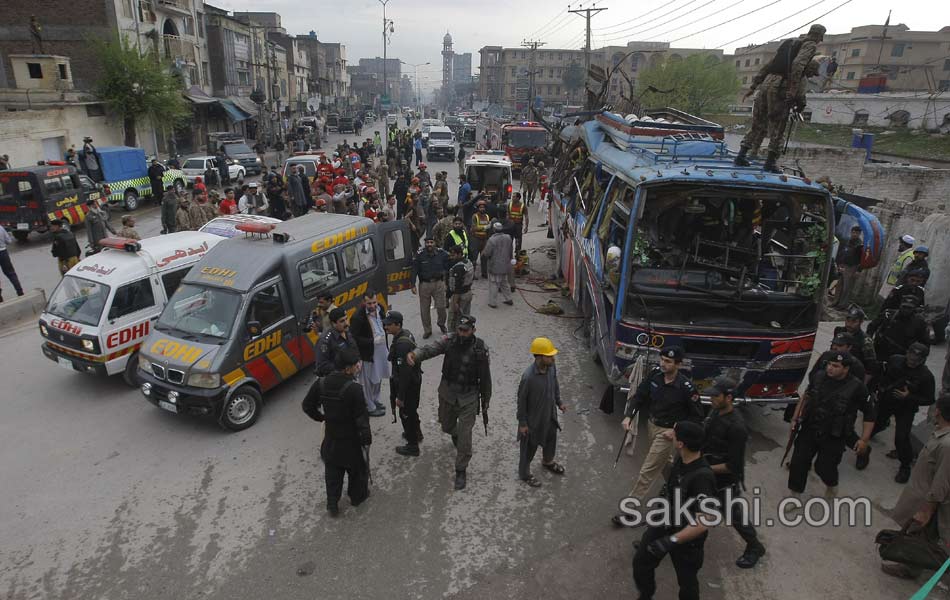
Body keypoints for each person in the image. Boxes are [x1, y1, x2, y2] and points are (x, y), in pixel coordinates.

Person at [613, 346, 702, 526]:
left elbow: (697, 416)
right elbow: (640, 396)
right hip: (652, 425)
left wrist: (677, 431)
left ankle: (630, 510)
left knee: (648, 469)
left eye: (668, 361)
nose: (663, 363)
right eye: (662, 359)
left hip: (668, 433)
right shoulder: (655, 375)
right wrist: (629, 415)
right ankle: (678, 488)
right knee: (665, 462)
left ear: (678, 364)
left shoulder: (686, 387)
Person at [632, 420, 717, 600]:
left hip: (687, 539)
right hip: (665, 522)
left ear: (680, 443)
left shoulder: (702, 477)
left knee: (687, 583)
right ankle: (646, 595)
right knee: (641, 562)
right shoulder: (682, 459)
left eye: (675, 433)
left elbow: (704, 522)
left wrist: (671, 541)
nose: (671, 433)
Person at [407, 314, 491, 491]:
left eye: (465, 330)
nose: (461, 333)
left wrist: (485, 402)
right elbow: (431, 348)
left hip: (469, 397)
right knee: (446, 426)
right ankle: (456, 434)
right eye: (459, 330)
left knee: (465, 435)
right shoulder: (449, 340)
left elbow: (485, 379)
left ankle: (461, 469)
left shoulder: (480, 349)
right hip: (447, 393)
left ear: (473, 330)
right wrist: (415, 355)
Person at [734, 24, 826, 172]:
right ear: (820, 37)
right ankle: (770, 163)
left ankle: (741, 155)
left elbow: (769, 65)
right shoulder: (810, 46)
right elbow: (798, 65)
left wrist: (754, 86)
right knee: (778, 126)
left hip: (766, 83)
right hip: (780, 86)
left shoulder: (790, 43)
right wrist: (793, 89)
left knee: (758, 123)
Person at [881, 393, 950, 580]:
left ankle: (910, 568)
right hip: (923, 495)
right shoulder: (942, 436)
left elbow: (941, 482)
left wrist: (926, 510)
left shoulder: (946, 444)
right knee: (923, 536)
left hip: (930, 501)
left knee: (922, 536)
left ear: (938, 413)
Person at [787, 352, 874, 501]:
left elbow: (870, 414)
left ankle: (832, 486)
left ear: (845, 369)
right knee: (798, 462)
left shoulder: (857, 387)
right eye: (829, 364)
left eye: (835, 366)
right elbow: (806, 397)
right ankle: (795, 496)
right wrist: (795, 418)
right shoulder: (819, 376)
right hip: (810, 427)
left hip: (835, 434)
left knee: (824, 468)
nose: (830, 368)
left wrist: (864, 440)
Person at [702, 377, 766, 568]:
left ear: (729, 397)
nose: (712, 398)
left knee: (734, 516)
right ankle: (659, 540)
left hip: (723, 482)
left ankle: (755, 547)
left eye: (716, 395)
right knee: (676, 501)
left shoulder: (737, 427)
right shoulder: (715, 411)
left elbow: (733, 467)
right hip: (705, 472)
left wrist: (702, 468)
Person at [301, 347, 372, 517]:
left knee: (332, 472)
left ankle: (332, 503)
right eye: (356, 365)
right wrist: (366, 439)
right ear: (348, 368)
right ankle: (357, 497)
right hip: (351, 440)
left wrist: (322, 418)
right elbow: (361, 418)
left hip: (331, 438)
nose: (358, 367)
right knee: (357, 471)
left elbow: (307, 406)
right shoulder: (354, 389)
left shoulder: (321, 383)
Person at [872, 343, 936, 483]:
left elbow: (929, 399)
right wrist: (877, 389)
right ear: (907, 353)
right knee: (875, 423)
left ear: (923, 360)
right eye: (910, 357)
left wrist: (909, 397)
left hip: (906, 408)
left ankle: (905, 466)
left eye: (916, 359)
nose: (912, 361)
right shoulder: (895, 360)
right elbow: (882, 374)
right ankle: (875, 431)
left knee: (901, 438)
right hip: (887, 401)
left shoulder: (926, 376)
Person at [517, 337, 567, 487]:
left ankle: (547, 461)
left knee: (551, 439)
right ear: (539, 357)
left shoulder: (552, 368)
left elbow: (555, 385)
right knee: (529, 448)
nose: (552, 358)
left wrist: (559, 402)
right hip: (533, 420)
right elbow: (521, 402)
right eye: (549, 355)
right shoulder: (528, 377)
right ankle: (524, 474)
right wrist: (523, 423)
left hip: (549, 415)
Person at [384, 311, 424, 457]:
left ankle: (412, 445)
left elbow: (405, 375)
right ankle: (416, 434)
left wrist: (400, 397)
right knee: (412, 411)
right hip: (413, 381)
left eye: (389, 324)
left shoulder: (402, 345)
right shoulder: (405, 334)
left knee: (406, 414)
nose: (386, 326)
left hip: (408, 385)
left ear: (398, 325)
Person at [349, 291, 390, 417]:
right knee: (367, 381)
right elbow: (354, 338)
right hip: (368, 353)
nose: (372, 306)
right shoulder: (357, 317)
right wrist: (372, 341)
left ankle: (375, 400)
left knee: (378, 377)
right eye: (369, 303)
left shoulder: (380, 309)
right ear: (363, 303)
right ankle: (370, 406)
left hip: (382, 349)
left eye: (374, 302)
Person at [868, 295, 931, 360]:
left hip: (902, 356)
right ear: (900, 305)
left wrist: (918, 357)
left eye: (909, 308)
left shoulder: (919, 322)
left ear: (914, 308)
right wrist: (869, 341)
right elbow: (872, 326)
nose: (906, 310)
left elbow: (925, 344)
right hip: (881, 351)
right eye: (904, 307)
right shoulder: (888, 314)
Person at [412, 236, 450, 339]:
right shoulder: (420, 255)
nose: (429, 244)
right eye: (427, 242)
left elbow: (448, 266)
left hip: (439, 283)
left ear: (435, 243)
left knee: (442, 306)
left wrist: (447, 282)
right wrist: (412, 285)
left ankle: (441, 323)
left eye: (431, 242)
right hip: (424, 284)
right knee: (424, 309)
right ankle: (427, 330)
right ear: (425, 243)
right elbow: (414, 270)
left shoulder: (442, 254)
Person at [315, 308, 358, 376]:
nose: (346, 323)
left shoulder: (347, 331)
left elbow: (354, 348)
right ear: (333, 323)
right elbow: (321, 366)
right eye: (342, 321)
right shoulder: (325, 341)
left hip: (352, 374)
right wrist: (342, 367)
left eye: (346, 319)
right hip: (336, 378)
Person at [482, 221, 514, 308]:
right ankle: (509, 299)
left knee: (494, 284)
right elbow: (510, 251)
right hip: (505, 265)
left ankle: (493, 303)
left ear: (494, 230)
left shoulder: (492, 240)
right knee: (504, 283)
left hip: (495, 266)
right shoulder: (508, 237)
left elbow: (487, 253)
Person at [446, 244, 474, 332]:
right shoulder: (468, 262)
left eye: (453, 255)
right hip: (468, 293)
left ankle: (453, 337)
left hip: (460, 296)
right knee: (465, 316)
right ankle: (466, 333)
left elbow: (457, 288)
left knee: (454, 318)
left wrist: (455, 302)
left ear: (459, 254)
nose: (451, 257)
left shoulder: (458, 267)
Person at [834, 225, 863, 308]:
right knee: (839, 285)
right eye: (853, 232)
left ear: (859, 234)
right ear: (851, 232)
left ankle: (842, 305)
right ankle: (835, 302)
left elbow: (862, 259)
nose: (854, 234)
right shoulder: (848, 241)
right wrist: (839, 264)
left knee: (847, 288)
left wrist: (859, 270)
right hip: (843, 265)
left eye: (856, 233)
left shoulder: (860, 245)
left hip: (852, 267)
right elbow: (843, 253)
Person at [880, 234, 916, 300]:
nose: (899, 245)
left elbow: (904, 275)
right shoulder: (904, 254)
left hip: (895, 287)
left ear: (903, 244)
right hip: (891, 284)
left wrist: (896, 288)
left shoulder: (909, 257)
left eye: (900, 243)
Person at [0, 227, 24, 300]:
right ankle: (20, 292)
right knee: (11, 273)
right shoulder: (0, 228)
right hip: (3, 253)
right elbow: (9, 241)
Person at [470, 201, 491, 279]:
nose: (482, 209)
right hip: (476, 239)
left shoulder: (487, 216)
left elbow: (488, 229)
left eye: (483, 207)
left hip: (484, 240)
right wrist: (484, 228)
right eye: (480, 207)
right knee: (474, 258)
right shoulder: (475, 217)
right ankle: (472, 274)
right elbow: (473, 228)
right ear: (478, 208)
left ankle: (484, 273)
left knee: (484, 257)